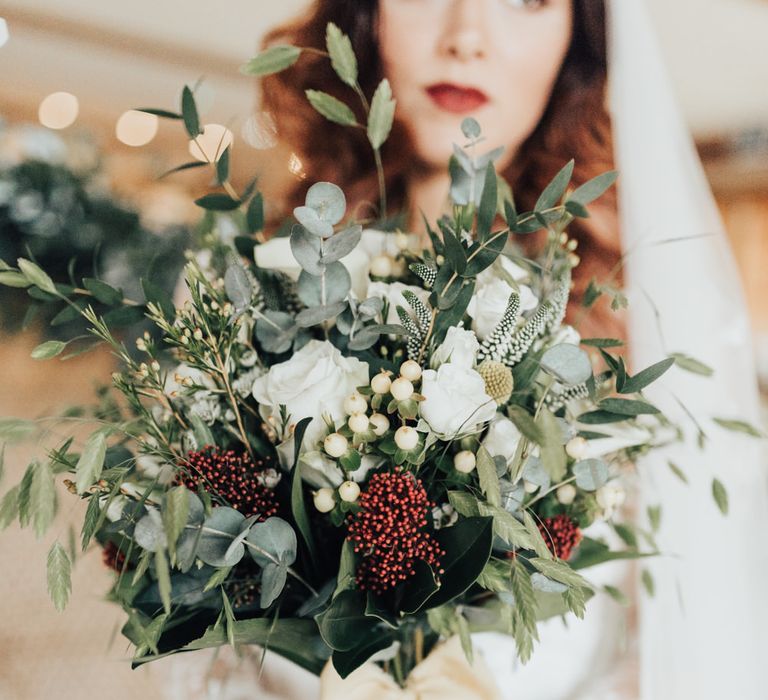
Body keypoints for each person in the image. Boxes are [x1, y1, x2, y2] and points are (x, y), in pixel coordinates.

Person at [243, 1, 768, 698]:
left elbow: (705, 643)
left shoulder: (642, 318)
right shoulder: (262, 296)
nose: (466, 37)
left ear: (578, 39)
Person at [261, 0, 624, 341]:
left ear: (577, 38)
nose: (465, 39)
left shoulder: (628, 314)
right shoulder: (267, 277)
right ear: (365, 14)